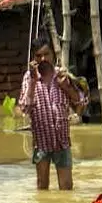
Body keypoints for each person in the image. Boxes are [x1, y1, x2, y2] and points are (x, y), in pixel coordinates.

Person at [18, 36, 87, 190]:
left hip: (62, 141)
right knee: (42, 186)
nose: (43, 59)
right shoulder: (29, 78)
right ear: (33, 58)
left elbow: (81, 102)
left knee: (66, 186)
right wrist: (33, 83)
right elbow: (24, 108)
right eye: (38, 56)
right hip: (41, 143)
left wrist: (67, 88)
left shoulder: (62, 76)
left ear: (53, 56)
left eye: (46, 54)